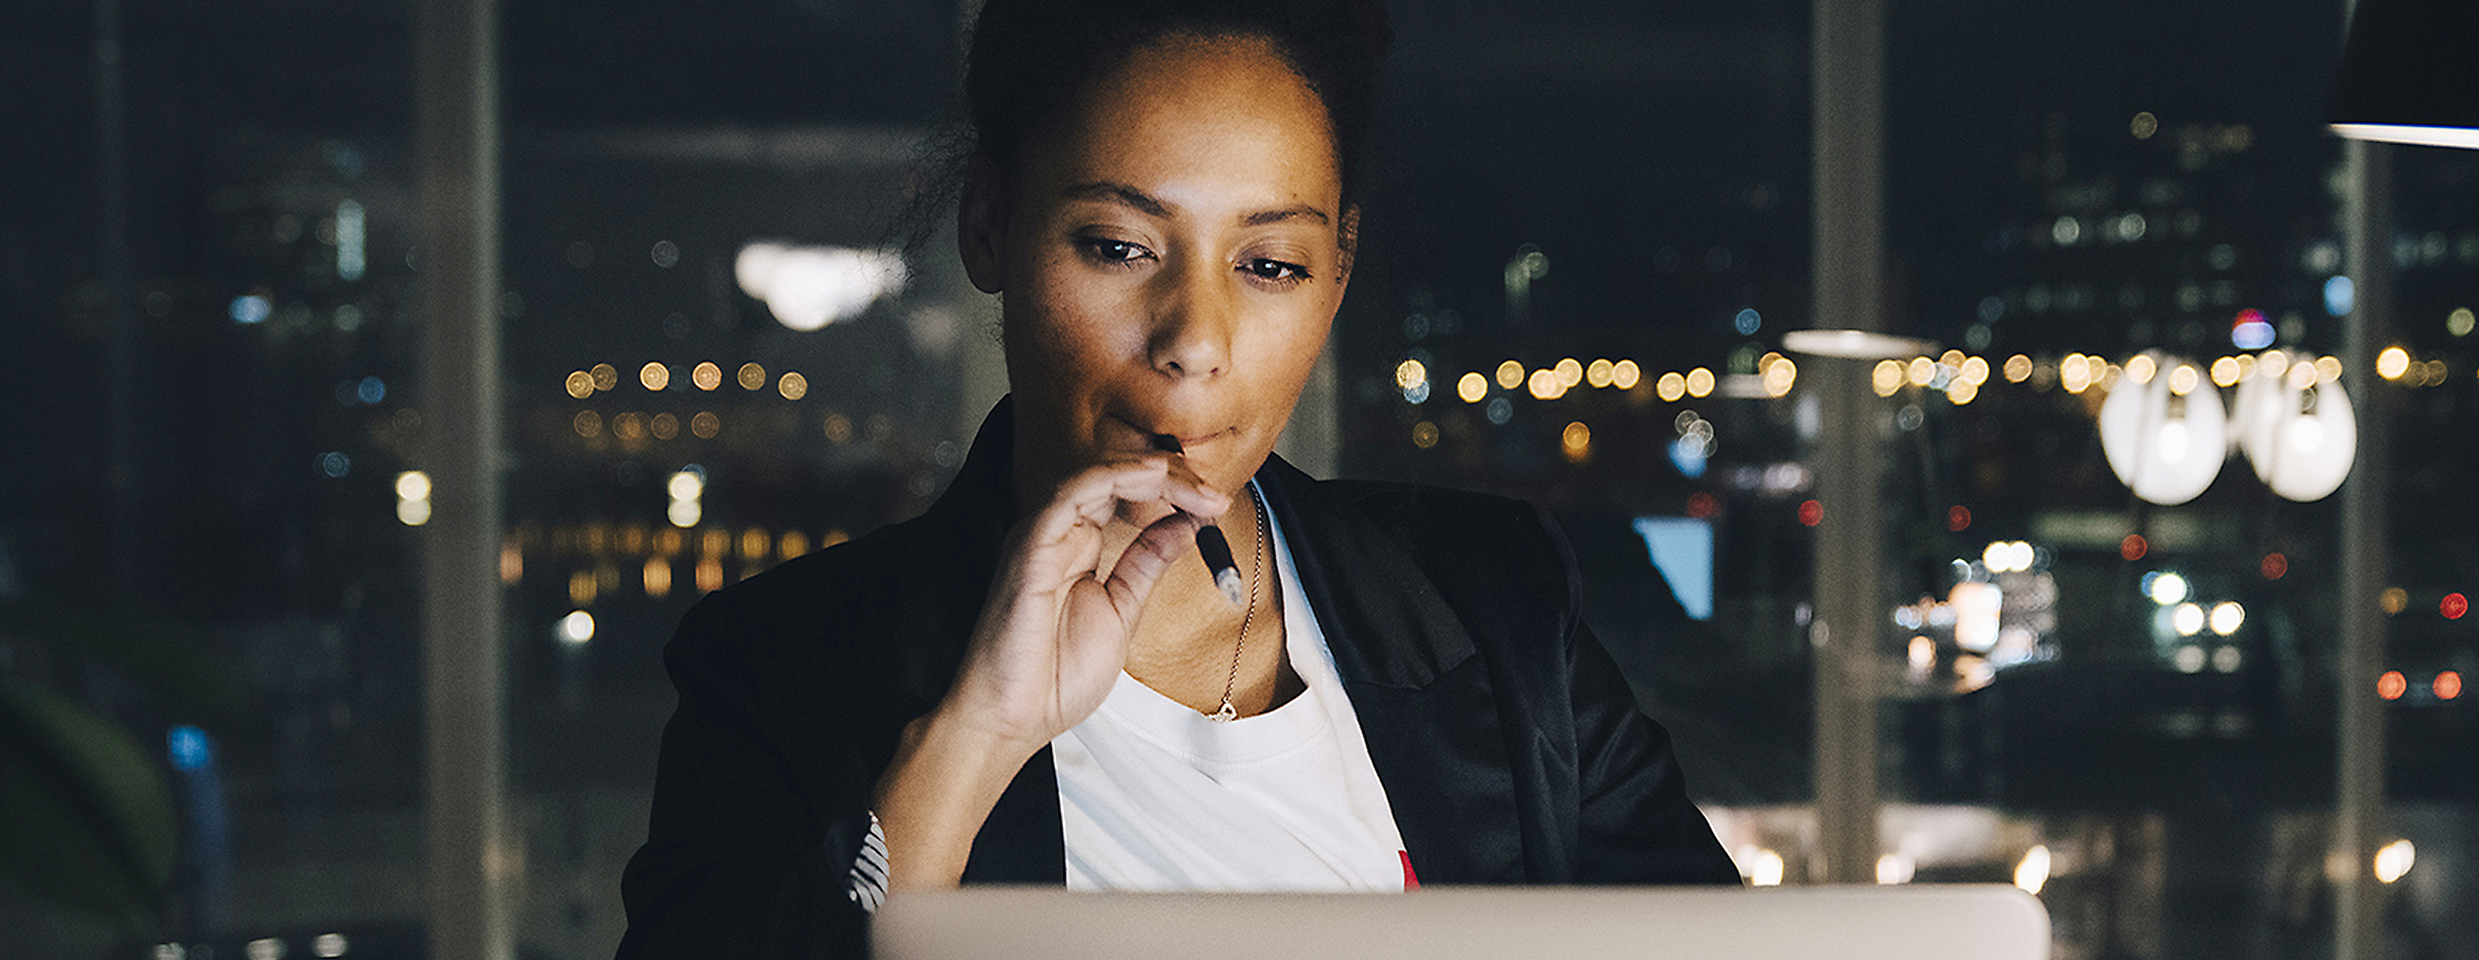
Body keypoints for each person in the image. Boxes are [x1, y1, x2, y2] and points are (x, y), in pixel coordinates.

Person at [614, 1, 1739, 956]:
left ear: (1336, 275)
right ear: (992, 229)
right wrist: (976, 737)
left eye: (1269, 264)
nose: (1195, 339)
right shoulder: (781, 668)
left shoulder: (1497, 602)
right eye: (1118, 246)